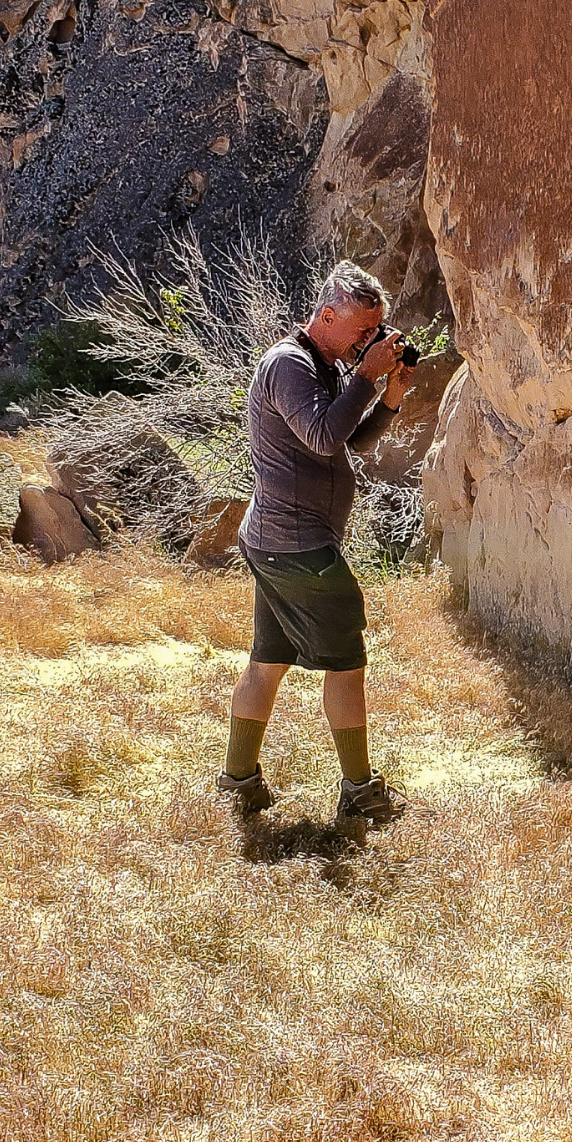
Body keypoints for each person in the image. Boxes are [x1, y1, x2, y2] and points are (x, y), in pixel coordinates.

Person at [218, 260, 417, 825]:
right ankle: (359, 792)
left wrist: (389, 394)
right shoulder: (289, 366)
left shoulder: (325, 365)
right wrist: (365, 378)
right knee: (347, 665)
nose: (368, 342)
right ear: (326, 316)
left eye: (375, 332)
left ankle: (238, 783)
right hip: (299, 547)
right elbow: (324, 437)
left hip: (282, 541)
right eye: (361, 331)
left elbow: (351, 438)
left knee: (268, 661)